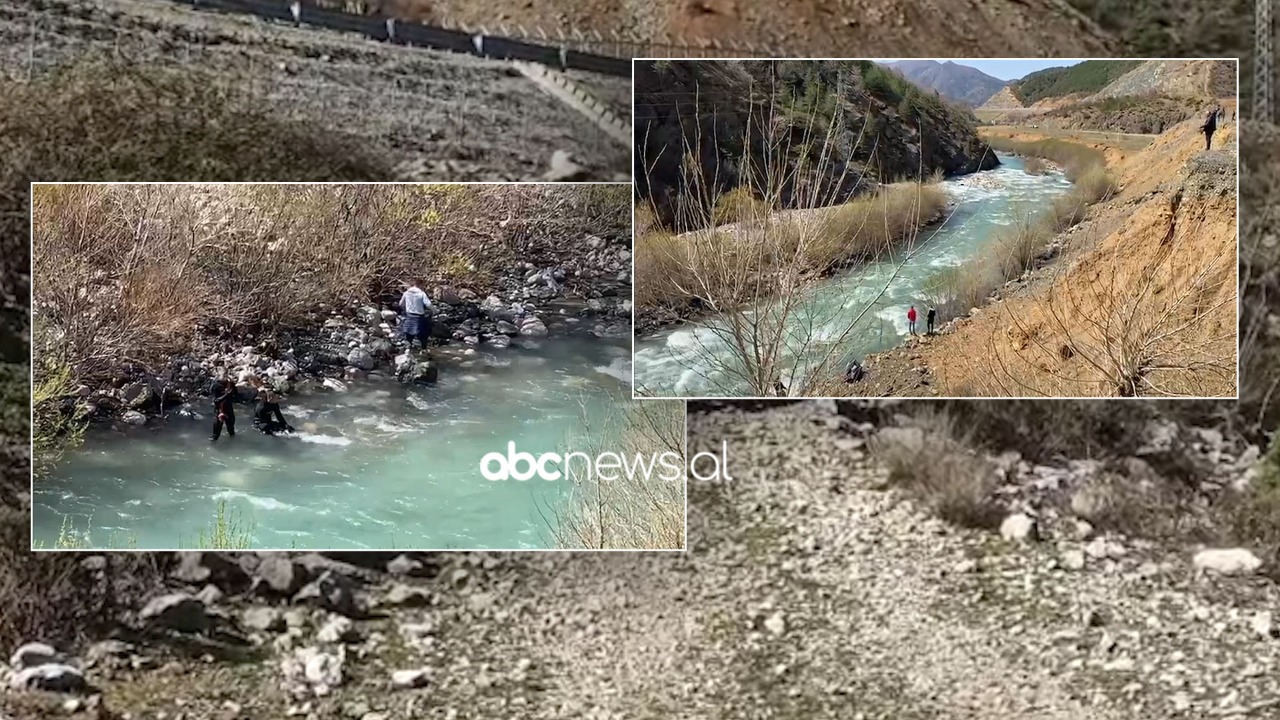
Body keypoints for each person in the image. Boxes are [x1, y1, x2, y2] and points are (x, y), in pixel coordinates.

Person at [399, 279, 434, 350]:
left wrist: (405, 309)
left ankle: (408, 349)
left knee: (408, 334)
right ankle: (423, 350)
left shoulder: (406, 293)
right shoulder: (421, 293)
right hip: (419, 317)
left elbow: (401, 304)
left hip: (409, 316)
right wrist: (434, 310)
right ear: (420, 285)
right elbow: (429, 304)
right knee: (423, 335)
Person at [210, 378, 236, 442]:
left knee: (231, 432)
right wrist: (227, 394)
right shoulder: (216, 386)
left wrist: (232, 391)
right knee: (215, 436)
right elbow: (216, 401)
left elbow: (236, 396)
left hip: (229, 411)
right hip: (218, 412)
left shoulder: (231, 385)